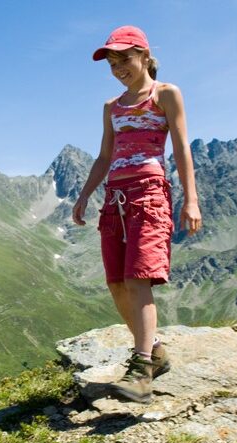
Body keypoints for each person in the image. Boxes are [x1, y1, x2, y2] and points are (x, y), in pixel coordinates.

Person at [72, 25, 202, 403]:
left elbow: (180, 149)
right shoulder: (111, 107)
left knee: (138, 277)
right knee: (116, 281)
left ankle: (142, 368)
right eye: (112, 62)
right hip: (115, 198)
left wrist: (190, 200)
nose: (118, 67)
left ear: (145, 56)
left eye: (125, 58)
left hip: (149, 194)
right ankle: (155, 350)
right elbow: (104, 156)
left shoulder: (166, 94)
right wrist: (84, 195)